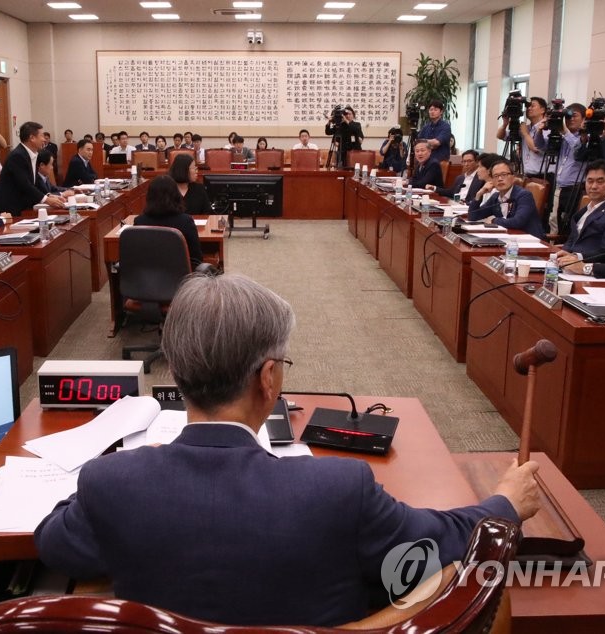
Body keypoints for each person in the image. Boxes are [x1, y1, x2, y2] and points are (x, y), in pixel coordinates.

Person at [35, 272, 539, 627]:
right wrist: (506, 503)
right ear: (269, 378)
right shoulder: (339, 488)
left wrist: (117, 472)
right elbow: (444, 542)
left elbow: (53, 543)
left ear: (177, 372)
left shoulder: (112, 483)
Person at [533, 102, 586, 233]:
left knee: (570, 224)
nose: (570, 119)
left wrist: (565, 132)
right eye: (567, 117)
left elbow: (578, 149)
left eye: (574, 116)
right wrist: (539, 131)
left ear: (584, 119)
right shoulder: (562, 137)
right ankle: (555, 243)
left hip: (576, 188)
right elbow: (540, 146)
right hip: (560, 187)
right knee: (554, 221)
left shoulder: (586, 137)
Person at [0, 121, 67, 215]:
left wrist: (49, 195)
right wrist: (46, 199)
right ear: (32, 138)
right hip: (10, 209)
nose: (44, 139)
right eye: (41, 136)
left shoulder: (32, 154)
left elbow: (35, 182)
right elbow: (25, 184)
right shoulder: (18, 156)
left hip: (23, 206)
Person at [556, 160, 605, 264]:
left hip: (590, 266)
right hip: (567, 263)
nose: (594, 186)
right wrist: (564, 252)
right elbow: (572, 239)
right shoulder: (585, 210)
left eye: (600, 182)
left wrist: (577, 257)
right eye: (590, 181)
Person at [132, 176, 203, 269]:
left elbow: (135, 256)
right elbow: (196, 258)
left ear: (149, 197)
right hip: (181, 275)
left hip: (147, 275)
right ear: (176, 195)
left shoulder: (139, 221)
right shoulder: (185, 221)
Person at [467, 158, 546, 239]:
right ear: (492, 180)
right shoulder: (495, 197)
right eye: (496, 176)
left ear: (513, 177)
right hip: (508, 238)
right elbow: (473, 216)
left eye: (504, 174)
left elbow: (517, 222)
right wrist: (479, 194)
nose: (500, 179)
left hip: (529, 241)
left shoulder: (524, 195)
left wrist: (494, 220)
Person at [497, 96, 548, 178]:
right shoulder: (526, 128)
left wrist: (525, 134)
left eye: (532, 106)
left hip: (543, 176)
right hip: (527, 175)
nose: (529, 108)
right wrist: (505, 124)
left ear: (543, 110)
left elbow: (536, 148)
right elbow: (500, 136)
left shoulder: (546, 127)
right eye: (527, 106)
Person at [418, 99, 452, 165]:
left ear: (441, 112)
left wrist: (425, 142)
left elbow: (436, 143)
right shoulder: (425, 127)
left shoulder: (445, 127)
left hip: (440, 162)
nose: (432, 112)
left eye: (435, 110)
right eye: (431, 110)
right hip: (426, 162)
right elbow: (419, 142)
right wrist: (430, 143)